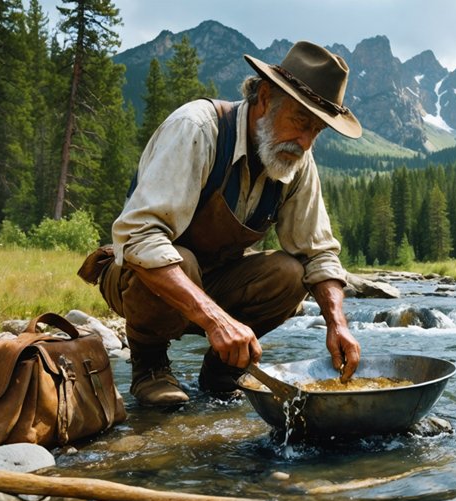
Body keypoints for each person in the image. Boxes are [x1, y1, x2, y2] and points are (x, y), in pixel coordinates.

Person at [81, 41, 362, 405]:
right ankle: (149, 365)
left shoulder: (295, 160)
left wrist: (336, 322)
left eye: (317, 131)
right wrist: (216, 320)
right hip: (139, 279)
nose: (306, 143)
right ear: (264, 97)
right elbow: (139, 238)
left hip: (216, 280)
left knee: (291, 273)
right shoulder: (197, 129)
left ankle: (223, 369)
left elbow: (318, 253)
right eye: (301, 122)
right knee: (181, 258)